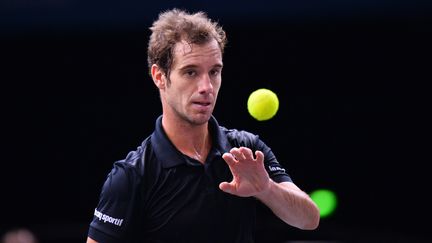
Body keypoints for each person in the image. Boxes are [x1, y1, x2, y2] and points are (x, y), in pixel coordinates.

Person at [86, 9, 319, 243]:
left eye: (214, 72)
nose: (206, 86)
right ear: (159, 76)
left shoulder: (246, 150)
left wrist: (266, 188)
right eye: (190, 72)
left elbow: (309, 219)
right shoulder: (132, 175)